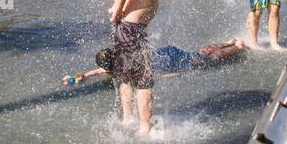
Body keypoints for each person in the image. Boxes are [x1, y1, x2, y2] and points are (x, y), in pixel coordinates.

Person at [106, 0, 191, 134]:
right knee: (145, 79)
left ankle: (127, 119)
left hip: (126, 29)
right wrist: (116, 8)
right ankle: (145, 128)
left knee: (127, 76)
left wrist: (118, 11)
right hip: (131, 31)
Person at [64, 39, 248, 86]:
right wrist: (77, 77)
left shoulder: (124, 70)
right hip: (165, 52)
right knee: (199, 53)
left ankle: (237, 47)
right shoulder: (120, 60)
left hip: (171, 61)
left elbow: (158, 76)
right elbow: (96, 72)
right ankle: (229, 41)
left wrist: (184, 74)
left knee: (207, 60)